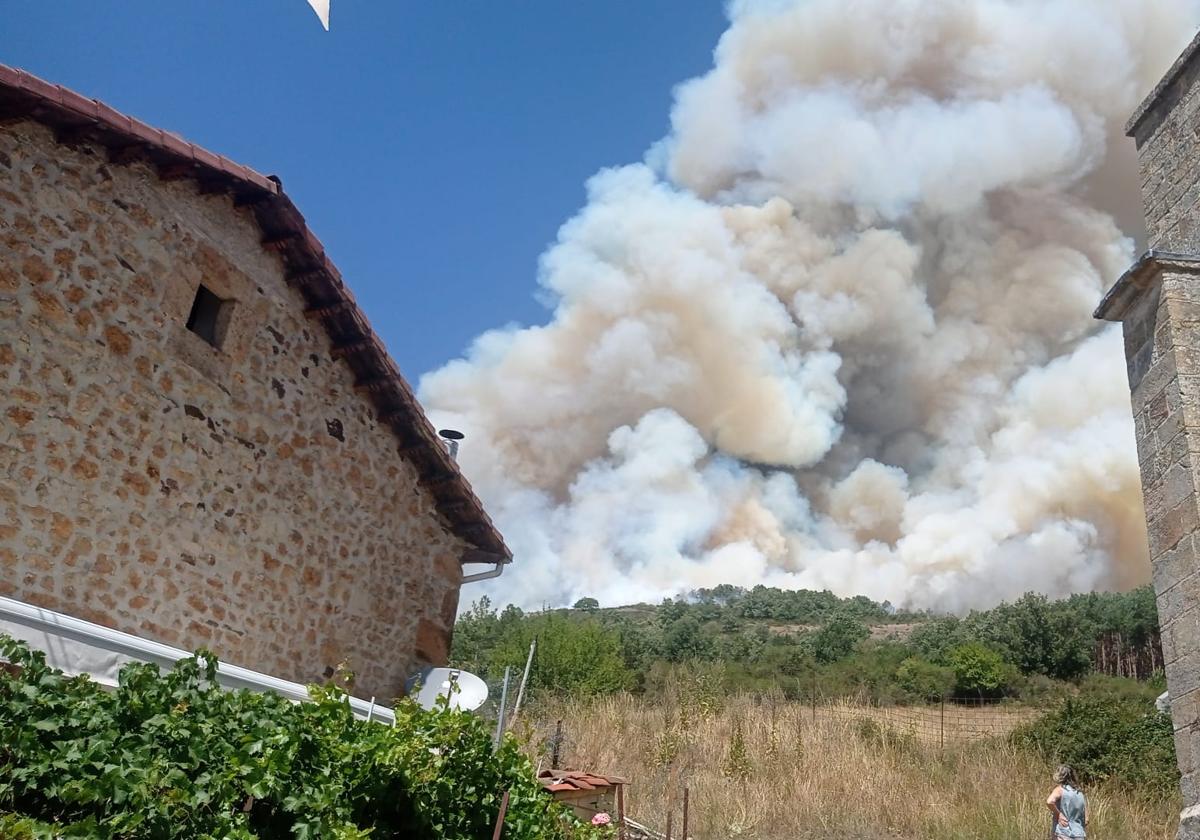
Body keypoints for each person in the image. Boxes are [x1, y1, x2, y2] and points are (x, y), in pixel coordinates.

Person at [1046, 765, 1088, 838]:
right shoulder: (1079, 793)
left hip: (1063, 832)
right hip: (1079, 833)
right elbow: (1087, 820)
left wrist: (1059, 814)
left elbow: (1049, 801)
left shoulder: (1060, 789)